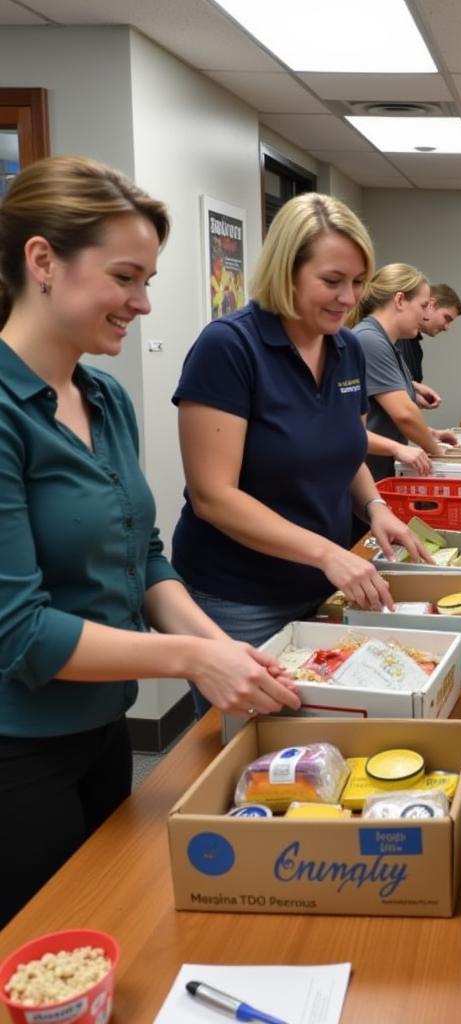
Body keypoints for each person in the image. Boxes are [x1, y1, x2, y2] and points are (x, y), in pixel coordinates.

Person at [0, 156, 300, 927]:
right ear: (42, 261)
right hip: (17, 747)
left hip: (103, 728)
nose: (141, 302)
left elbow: (147, 559)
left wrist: (226, 650)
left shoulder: (103, 396)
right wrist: (196, 657)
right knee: (45, 947)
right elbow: (24, 635)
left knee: (112, 930)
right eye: (126, 277)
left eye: (148, 280)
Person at [172, 194, 429, 717]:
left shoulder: (347, 348)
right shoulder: (229, 347)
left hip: (319, 585)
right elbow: (213, 497)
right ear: (286, 273)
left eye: (357, 283)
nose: (347, 298)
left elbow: (347, 452)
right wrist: (328, 553)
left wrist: (375, 508)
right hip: (239, 596)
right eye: (331, 281)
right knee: (254, 750)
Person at [353, 263, 459, 481]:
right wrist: (438, 453)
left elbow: (385, 415)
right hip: (365, 477)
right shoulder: (369, 339)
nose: (424, 315)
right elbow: (405, 414)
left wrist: (431, 434)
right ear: (400, 301)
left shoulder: (389, 343)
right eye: (422, 306)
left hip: (381, 473)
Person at [395, 282, 461, 417]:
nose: (446, 327)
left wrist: (415, 396)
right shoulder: (397, 339)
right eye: (447, 318)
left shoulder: (414, 344)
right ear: (431, 305)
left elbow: (403, 391)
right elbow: (396, 398)